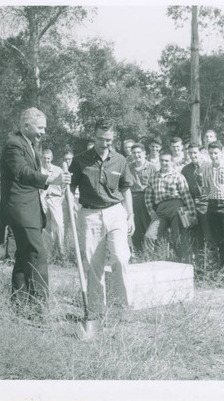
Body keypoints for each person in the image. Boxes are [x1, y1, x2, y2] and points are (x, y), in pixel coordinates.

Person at [0, 107, 71, 317]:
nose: (43, 132)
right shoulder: (14, 145)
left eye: (44, 128)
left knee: (23, 256)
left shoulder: (30, 146)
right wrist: (51, 180)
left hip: (30, 209)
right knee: (37, 254)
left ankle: (20, 305)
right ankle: (40, 308)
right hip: (21, 210)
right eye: (40, 128)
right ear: (26, 125)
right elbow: (22, 172)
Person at [69, 118, 135, 320]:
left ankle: (124, 308)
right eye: (100, 139)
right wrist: (71, 204)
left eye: (108, 140)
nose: (104, 144)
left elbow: (126, 189)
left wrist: (130, 215)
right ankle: (96, 311)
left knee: (121, 259)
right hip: (90, 215)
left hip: (116, 212)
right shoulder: (80, 160)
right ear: (94, 136)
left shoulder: (121, 160)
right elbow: (70, 187)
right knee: (93, 264)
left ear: (113, 138)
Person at [145, 149, 197, 262]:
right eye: (162, 161)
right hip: (160, 210)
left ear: (171, 162)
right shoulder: (154, 177)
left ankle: (183, 264)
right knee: (149, 236)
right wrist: (151, 211)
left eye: (167, 161)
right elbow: (148, 197)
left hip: (176, 207)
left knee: (177, 237)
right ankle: (153, 263)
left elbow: (186, 195)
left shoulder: (178, 176)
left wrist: (192, 214)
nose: (164, 163)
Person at [202, 141, 224, 272]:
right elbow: (205, 187)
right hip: (212, 205)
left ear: (221, 153)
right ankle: (222, 269)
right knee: (218, 238)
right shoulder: (206, 168)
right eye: (211, 153)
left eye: (216, 153)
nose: (213, 156)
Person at [181, 143, 211, 259]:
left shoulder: (209, 166)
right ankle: (199, 264)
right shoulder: (185, 169)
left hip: (206, 205)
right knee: (195, 237)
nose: (193, 155)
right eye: (190, 153)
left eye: (195, 153)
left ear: (201, 153)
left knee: (208, 236)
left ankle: (211, 264)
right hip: (191, 205)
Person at [128, 143, 156, 252]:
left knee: (148, 228)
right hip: (133, 200)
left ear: (144, 153)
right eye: (134, 153)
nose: (136, 155)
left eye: (139, 152)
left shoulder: (151, 167)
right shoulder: (129, 167)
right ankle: (139, 254)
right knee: (136, 228)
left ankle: (152, 254)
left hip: (148, 199)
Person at [41, 149, 65, 257]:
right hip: (43, 200)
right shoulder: (39, 170)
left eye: (48, 158)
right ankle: (49, 253)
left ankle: (61, 251)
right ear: (42, 158)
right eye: (45, 158)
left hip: (55, 199)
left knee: (59, 225)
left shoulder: (58, 170)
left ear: (52, 158)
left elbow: (65, 186)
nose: (46, 160)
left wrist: (62, 198)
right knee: (45, 226)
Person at [0, 174, 16, 261]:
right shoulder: (3, 170)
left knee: (12, 230)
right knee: (1, 228)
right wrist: (0, 200)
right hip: (4, 203)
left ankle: (10, 257)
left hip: (14, 203)